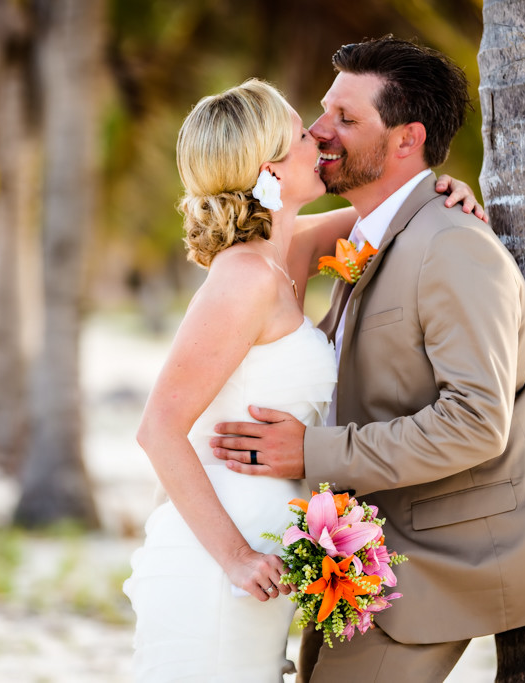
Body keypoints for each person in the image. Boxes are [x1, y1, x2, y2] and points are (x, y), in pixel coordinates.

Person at [210, 37, 525, 682]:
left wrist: (313, 453)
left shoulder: (451, 246)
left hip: (439, 561)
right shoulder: (373, 234)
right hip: (361, 557)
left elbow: (475, 421)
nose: (318, 130)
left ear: (406, 139)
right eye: (325, 110)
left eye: (346, 119)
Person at [123, 78, 481, 681]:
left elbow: (388, 216)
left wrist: (442, 191)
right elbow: (158, 429)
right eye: (299, 136)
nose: (318, 137)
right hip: (221, 564)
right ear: (269, 170)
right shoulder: (245, 279)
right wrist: (236, 559)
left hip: (262, 561)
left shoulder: (282, 253)